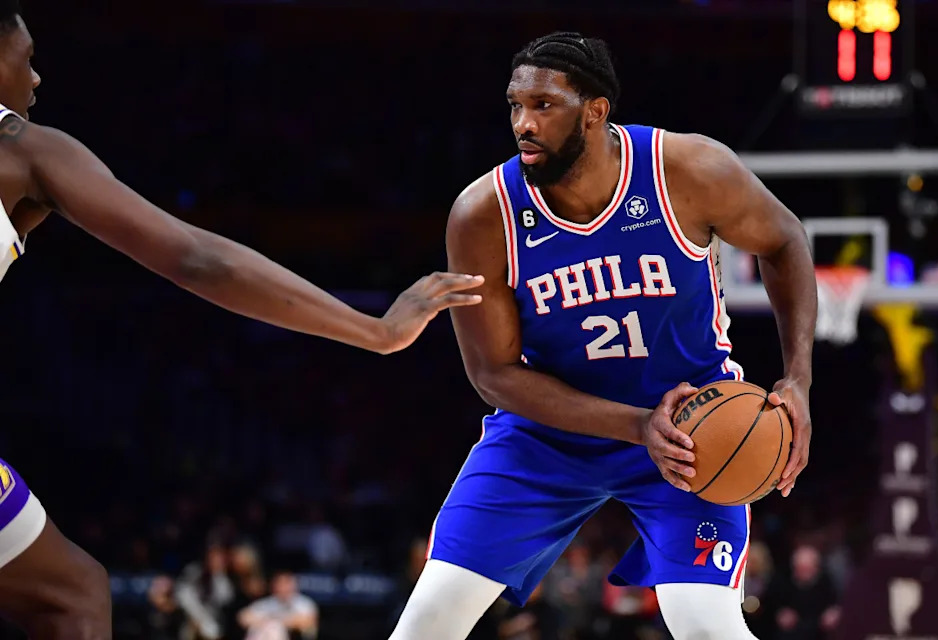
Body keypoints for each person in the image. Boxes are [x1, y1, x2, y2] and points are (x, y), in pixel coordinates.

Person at [0, 2, 482, 637]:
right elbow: (198, 259)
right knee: (73, 601)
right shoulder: (22, 148)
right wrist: (377, 329)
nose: (36, 80)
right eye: (26, 59)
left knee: (73, 590)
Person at [389, 31, 816, 640]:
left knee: (706, 625)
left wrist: (796, 378)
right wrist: (636, 425)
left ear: (595, 110)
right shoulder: (484, 214)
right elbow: (494, 374)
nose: (523, 124)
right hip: (549, 434)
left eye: (544, 105)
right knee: (427, 621)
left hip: (694, 428)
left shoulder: (687, 169)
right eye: (515, 105)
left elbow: (784, 240)